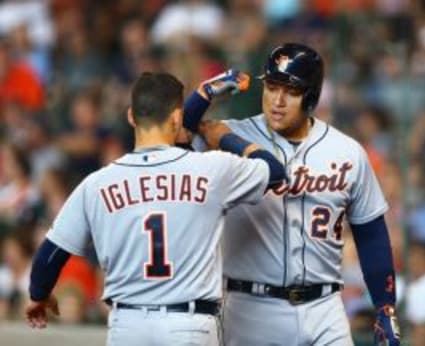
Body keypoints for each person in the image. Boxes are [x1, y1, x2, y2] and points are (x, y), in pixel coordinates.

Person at [24, 71, 286, 346]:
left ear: (130, 116)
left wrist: (39, 295)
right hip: (188, 325)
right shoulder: (211, 169)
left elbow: (49, 255)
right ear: (176, 117)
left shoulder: (97, 183)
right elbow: (276, 172)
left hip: (127, 326)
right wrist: (225, 138)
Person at [191, 43, 401, 345]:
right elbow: (170, 148)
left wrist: (385, 306)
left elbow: (371, 234)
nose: (277, 100)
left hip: (325, 306)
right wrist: (202, 97)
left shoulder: (347, 152)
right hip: (251, 307)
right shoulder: (227, 135)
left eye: (291, 91)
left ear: (311, 97)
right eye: (272, 87)